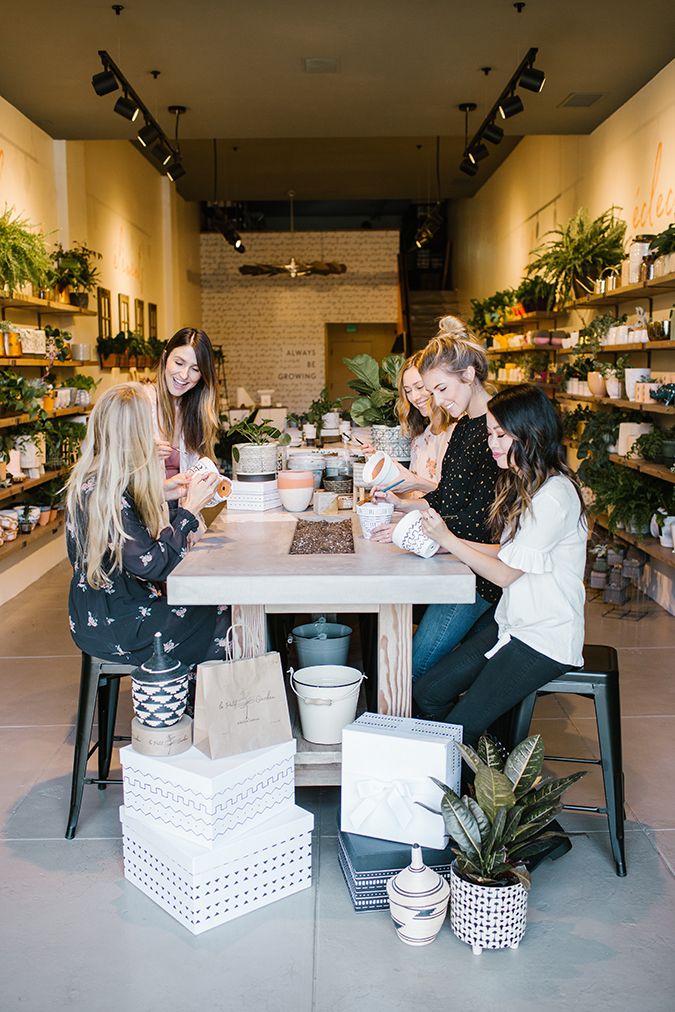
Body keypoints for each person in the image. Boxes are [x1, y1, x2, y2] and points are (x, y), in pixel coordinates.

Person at [413, 384, 587, 747]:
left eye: (502, 435)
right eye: (491, 433)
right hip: (511, 622)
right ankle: (471, 773)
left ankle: (474, 785)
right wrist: (445, 544)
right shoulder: (522, 481)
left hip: (543, 637)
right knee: (428, 691)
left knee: (461, 728)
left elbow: (506, 574)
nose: (493, 443)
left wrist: (447, 541)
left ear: (530, 433)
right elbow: (505, 553)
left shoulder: (553, 496)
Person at [370, 317, 501, 679]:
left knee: (412, 670)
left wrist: (421, 531)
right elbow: (447, 496)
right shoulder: (463, 428)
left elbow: (488, 519)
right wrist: (402, 506)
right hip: (457, 560)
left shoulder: (498, 429)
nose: (436, 400)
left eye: (441, 389)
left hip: (480, 573)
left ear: (469, 375)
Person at [66, 382, 230, 666]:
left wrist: (161, 491)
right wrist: (190, 510)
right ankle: (200, 702)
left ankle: (191, 695)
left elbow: (126, 521)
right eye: (151, 423)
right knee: (227, 617)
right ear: (135, 434)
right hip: (121, 625)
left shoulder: (97, 480)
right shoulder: (109, 495)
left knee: (218, 607)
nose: (157, 431)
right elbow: (154, 565)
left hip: (98, 614)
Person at [148, 327, 220, 480]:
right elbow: (109, 462)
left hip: (186, 503)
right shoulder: (141, 403)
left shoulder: (196, 412)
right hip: (144, 503)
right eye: (179, 363)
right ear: (165, 358)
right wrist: (142, 455)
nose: (184, 375)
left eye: (195, 369)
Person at [388, 352, 454, 498]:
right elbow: (413, 494)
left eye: (419, 387)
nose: (415, 397)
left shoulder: (459, 432)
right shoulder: (421, 437)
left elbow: (455, 498)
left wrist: (417, 483)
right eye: (408, 391)